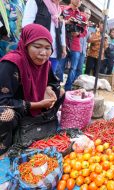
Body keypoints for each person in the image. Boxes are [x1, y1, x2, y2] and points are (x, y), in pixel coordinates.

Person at [0, 24, 61, 154]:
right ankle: (5, 150)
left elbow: (54, 82)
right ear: (26, 45)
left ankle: (38, 125)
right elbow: (3, 100)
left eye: (47, 48)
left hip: (36, 105)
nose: (43, 53)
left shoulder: (46, 64)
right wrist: (36, 105)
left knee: (61, 92)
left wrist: (48, 88)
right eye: (37, 47)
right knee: (4, 115)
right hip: (17, 108)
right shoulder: (11, 63)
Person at [22, 0, 67, 74]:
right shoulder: (36, 2)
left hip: (54, 51)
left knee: (49, 79)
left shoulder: (59, 10)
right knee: (34, 76)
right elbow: (26, 27)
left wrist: (63, 46)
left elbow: (62, 30)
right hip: (38, 51)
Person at [58, 0, 87, 91]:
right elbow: (56, 21)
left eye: (81, 0)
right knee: (60, 67)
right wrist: (66, 22)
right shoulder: (61, 8)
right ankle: (58, 88)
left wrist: (78, 33)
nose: (79, 1)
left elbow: (85, 31)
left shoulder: (82, 16)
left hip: (76, 45)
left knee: (74, 68)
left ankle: (67, 89)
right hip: (63, 43)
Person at [74, 8, 92, 80]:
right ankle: (71, 83)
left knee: (80, 69)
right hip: (76, 48)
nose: (88, 15)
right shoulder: (79, 22)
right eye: (86, 13)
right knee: (73, 68)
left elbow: (89, 40)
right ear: (83, 13)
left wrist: (92, 36)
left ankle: (76, 83)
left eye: (89, 14)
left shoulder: (88, 27)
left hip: (83, 51)